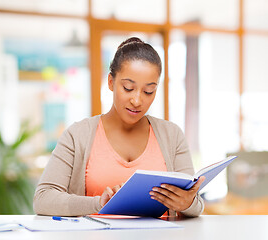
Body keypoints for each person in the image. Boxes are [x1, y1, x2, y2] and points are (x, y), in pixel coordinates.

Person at [33, 37, 205, 217]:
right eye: (128, 88)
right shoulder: (77, 135)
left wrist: (187, 203)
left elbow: (196, 205)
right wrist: (97, 203)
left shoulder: (172, 135)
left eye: (148, 91)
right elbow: (43, 200)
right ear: (110, 82)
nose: (137, 100)